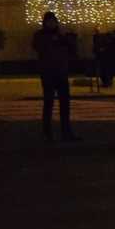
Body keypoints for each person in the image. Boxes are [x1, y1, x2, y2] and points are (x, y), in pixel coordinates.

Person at [32, 11, 78, 141]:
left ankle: (66, 132)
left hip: (61, 73)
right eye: (49, 21)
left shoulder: (61, 35)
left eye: (53, 21)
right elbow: (39, 47)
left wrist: (62, 38)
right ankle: (47, 133)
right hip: (48, 74)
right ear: (45, 23)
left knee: (65, 104)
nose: (52, 24)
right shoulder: (40, 35)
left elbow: (71, 47)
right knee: (48, 103)